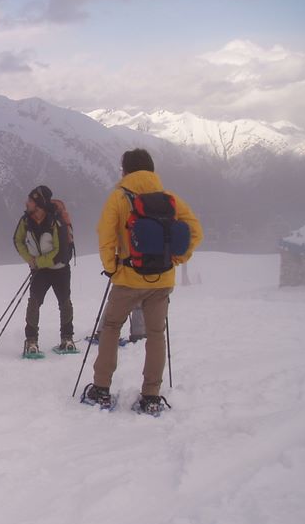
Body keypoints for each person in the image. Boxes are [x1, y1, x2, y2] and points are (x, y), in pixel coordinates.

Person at [83, 148, 202, 414]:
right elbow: (195, 231)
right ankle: (151, 396)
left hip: (127, 277)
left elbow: (105, 236)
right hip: (161, 280)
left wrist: (112, 268)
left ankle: (101, 389)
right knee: (156, 334)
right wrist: (176, 260)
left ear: (125, 170)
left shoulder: (118, 197)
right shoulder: (169, 198)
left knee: (111, 327)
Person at [13, 185, 76, 355]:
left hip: (58, 268)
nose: (27, 203)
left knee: (63, 301)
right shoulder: (26, 220)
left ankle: (62, 338)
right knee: (36, 302)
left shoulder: (56, 221)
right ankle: (37, 339)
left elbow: (60, 251)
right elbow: (18, 240)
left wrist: (37, 262)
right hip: (41, 269)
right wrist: (30, 259)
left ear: (38, 203)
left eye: (30, 201)